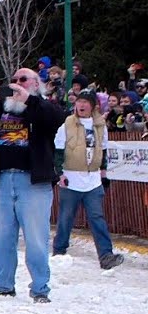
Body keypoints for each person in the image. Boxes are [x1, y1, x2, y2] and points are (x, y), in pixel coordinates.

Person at [0, 68, 66, 303]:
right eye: (13, 81)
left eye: (22, 80)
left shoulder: (42, 107)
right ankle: (3, 284)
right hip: (3, 179)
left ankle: (40, 288)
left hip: (32, 182)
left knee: (35, 237)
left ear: (35, 84)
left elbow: (56, 119)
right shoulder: (2, 108)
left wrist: (29, 100)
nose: (16, 85)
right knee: (2, 236)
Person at [52, 90, 124, 270]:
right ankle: (59, 251)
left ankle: (106, 255)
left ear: (93, 106)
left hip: (92, 180)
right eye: (79, 102)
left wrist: (104, 173)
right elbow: (58, 150)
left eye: (85, 102)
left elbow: (103, 151)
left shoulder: (100, 126)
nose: (81, 105)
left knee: (97, 217)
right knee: (66, 217)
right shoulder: (67, 125)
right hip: (71, 178)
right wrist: (59, 173)